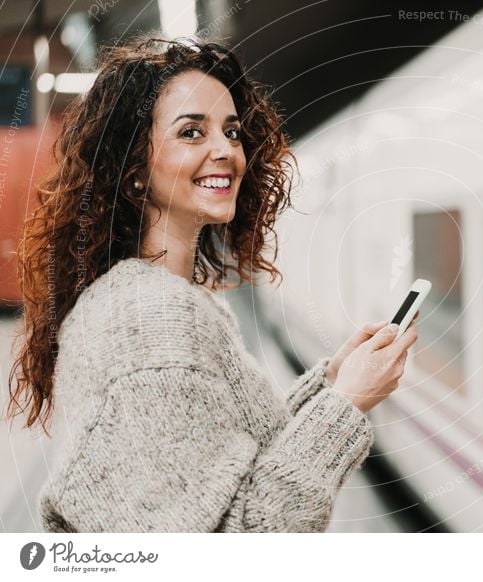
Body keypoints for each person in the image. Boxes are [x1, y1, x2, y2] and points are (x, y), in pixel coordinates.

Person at [4, 36, 417, 533]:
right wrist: (348, 405)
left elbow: (222, 463)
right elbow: (239, 537)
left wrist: (330, 386)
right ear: (135, 172)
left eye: (232, 131)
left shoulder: (166, 297)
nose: (226, 149)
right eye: (192, 133)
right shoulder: (151, 320)